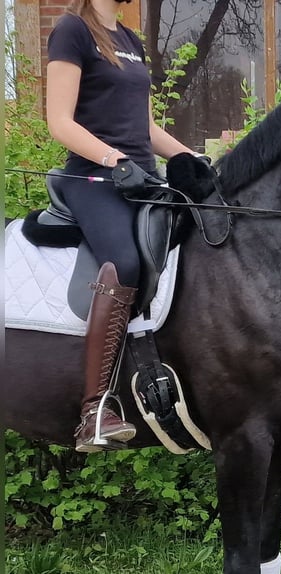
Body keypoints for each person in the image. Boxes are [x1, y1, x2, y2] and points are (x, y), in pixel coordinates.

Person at [46, 0, 207, 452]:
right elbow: (59, 121)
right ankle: (94, 410)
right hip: (92, 177)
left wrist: (190, 158)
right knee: (125, 260)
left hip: (140, 178)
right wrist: (112, 159)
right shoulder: (71, 30)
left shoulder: (130, 39)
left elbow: (146, 125)